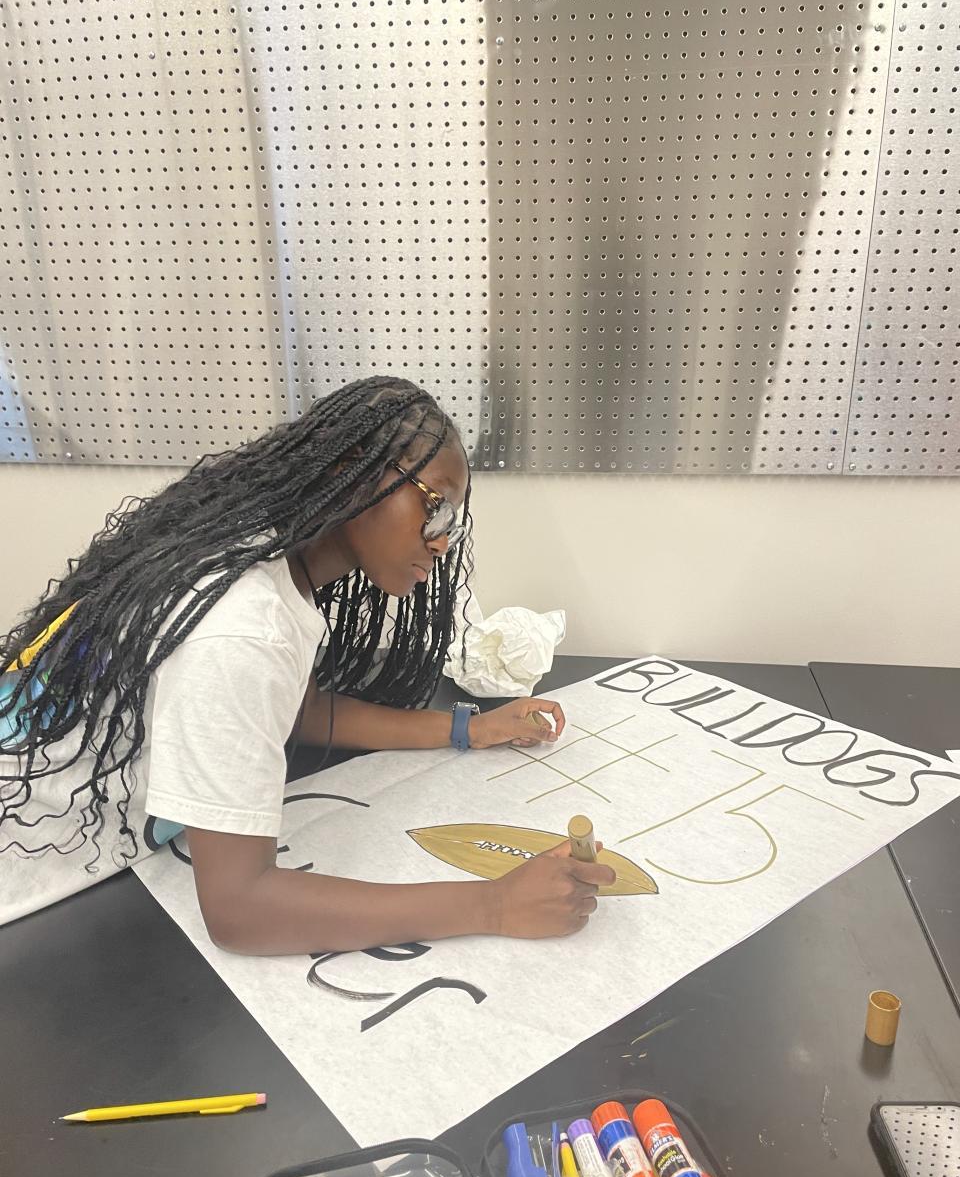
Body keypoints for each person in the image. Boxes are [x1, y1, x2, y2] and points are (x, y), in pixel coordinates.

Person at [1, 377, 612, 947]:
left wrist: (467, 728)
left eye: (452, 518)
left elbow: (297, 710)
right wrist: (496, 905)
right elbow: (241, 910)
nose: (442, 539)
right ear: (352, 477)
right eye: (435, 507)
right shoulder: (242, 626)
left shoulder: (264, 557)